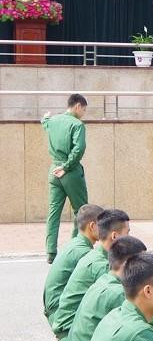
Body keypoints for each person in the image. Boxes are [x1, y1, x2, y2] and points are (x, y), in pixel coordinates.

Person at [50, 208, 131, 341]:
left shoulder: (94, 254)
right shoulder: (99, 264)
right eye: (127, 233)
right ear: (114, 236)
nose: (130, 238)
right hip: (71, 330)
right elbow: (128, 303)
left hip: (70, 323)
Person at [41, 93, 90, 263]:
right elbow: (79, 149)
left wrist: (45, 117)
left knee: (53, 212)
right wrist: (67, 166)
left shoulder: (53, 121)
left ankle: (51, 252)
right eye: (83, 109)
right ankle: (75, 250)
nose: (84, 113)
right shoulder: (77, 125)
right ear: (77, 106)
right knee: (82, 211)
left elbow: (45, 123)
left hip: (54, 169)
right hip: (70, 171)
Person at [44, 203, 103, 326]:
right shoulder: (84, 252)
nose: (107, 229)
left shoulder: (75, 244)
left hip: (53, 306)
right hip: (60, 312)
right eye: (103, 225)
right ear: (92, 226)